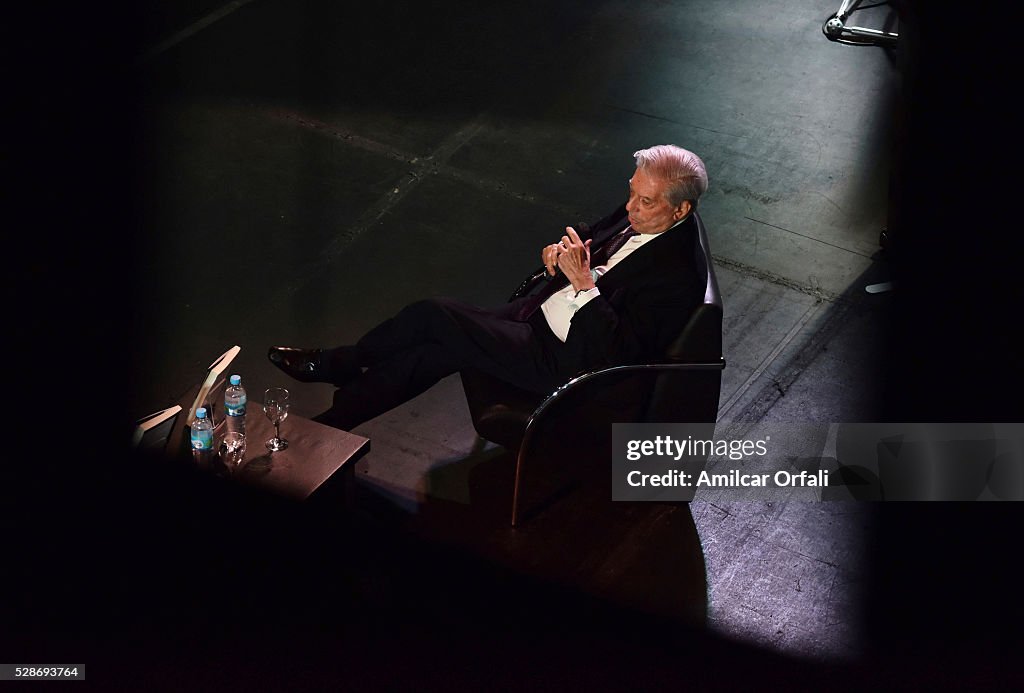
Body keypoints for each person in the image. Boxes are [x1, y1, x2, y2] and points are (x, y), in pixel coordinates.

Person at [269, 144, 709, 431]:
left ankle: (341, 365)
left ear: (680, 209)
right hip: (540, 317)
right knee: (438, 348)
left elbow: (617, 354)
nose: (631, 207)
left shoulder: (677, 274)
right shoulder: (645, 206)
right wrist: (562, 249)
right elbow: (592, 231)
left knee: (433, 314)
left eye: (644, 202)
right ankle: (330, 423)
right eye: (631, 193)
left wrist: (583, 283)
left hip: (566, 363)